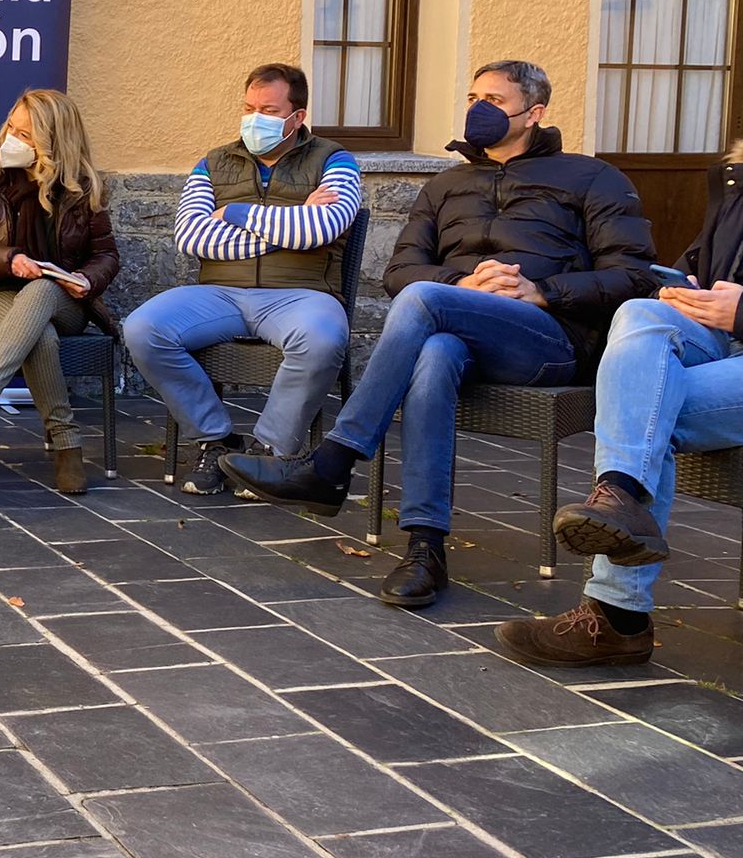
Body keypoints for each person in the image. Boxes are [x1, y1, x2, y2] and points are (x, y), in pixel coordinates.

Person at [224, 61, 656, 609]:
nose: (479, 109)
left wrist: (543, 290)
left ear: (535, 114)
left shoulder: (592, 177)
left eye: (495, 101)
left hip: (548, 341)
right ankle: (426, 548)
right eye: (474, 96)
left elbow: (636, 274)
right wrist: (465, 282)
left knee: (427, 302)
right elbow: (400, 271)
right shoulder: (446, 183)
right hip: (460, 329)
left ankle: (332, 463)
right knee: (434, 351)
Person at [497, 144, 743, 666]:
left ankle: (617, 615)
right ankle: (622, 497)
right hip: (717, 342)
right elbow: (699, 262)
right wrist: (678, 288)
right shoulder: (732, 180)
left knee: (647, 408)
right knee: (639, 312)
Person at [123, 63, 360, 494]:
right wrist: (293, 226)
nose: (255, 119)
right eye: (249, 107)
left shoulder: (335, 159)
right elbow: (192, 237)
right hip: (219, 292)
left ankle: (268, 454)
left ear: (297, 116)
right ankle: (215, 439)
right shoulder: (214, 162)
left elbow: (324, 229)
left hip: (301, 295)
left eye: (268, 109)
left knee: (323, 339)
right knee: (143, 328)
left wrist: (235, 213)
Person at [0, 89, 120, 494]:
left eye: (27, 136)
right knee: (38, 334)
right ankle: (67, 444)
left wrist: (87, 281)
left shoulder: (83, 190)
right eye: (12, 128)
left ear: (54, 145)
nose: (13, 140)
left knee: (41, 291)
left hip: (64, 300)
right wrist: (7, 260)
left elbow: (106, 255)